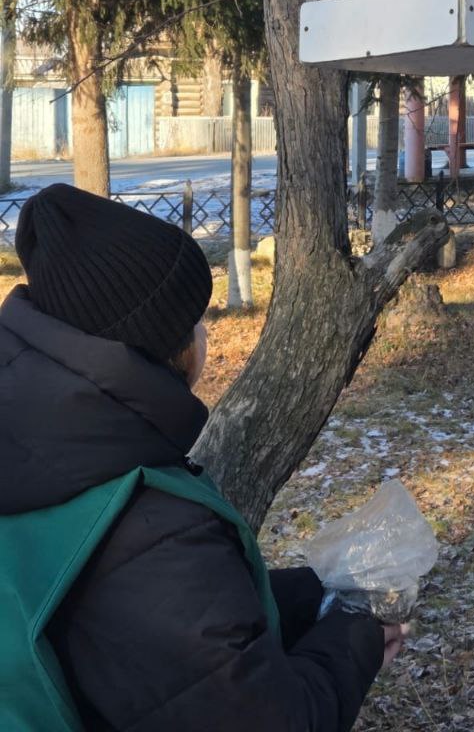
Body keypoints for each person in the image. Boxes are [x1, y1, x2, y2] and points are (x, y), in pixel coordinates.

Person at [0, 183, 404, 732]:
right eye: (194, 315)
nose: (204, 330)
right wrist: (358, 633)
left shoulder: (45, 446)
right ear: (160, 344)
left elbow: (158, 629)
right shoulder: (150, 524)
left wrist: (319, 592)